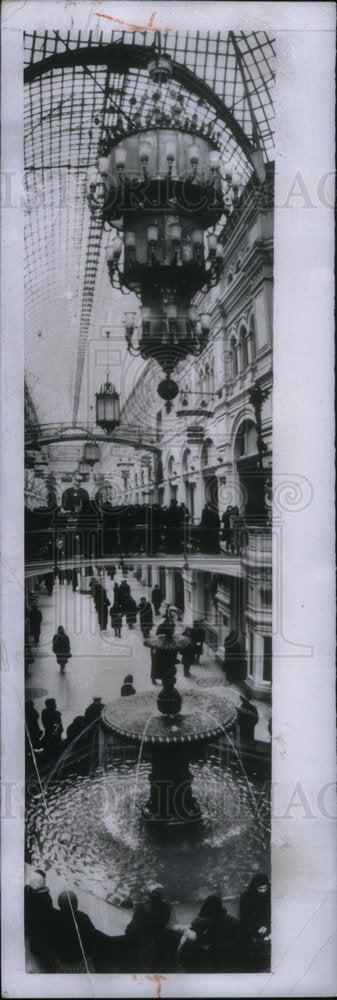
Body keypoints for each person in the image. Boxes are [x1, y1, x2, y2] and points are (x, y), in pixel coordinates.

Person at [125, 883, 171, 972]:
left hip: (145, 941)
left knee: (144, 965)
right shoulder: (166, 907)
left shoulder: (144, 908)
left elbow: (133, 927)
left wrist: (128, 933)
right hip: (159, 938)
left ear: (149, 895)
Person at [52, 890, 100, 972]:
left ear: (59, 904)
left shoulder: (54, 917)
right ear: (76, 904)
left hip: (61, 956)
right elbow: (93, 938)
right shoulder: (83, 917)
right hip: (79, 958)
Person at [239, 874, 271, 971]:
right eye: (260, 889)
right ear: (255, 887)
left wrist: (266, 926)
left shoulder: (269, 895)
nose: (263, 891)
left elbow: (269, 914)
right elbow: (245, 917)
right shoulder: (246, 897)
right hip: (250, 928)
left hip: (266, 927)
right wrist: (256, 929)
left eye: (265, 888)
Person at [24, 871, 56, 966]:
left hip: (30, 922)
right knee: (41, 940)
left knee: (33, 938)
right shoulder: (45, 897)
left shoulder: (27, 891)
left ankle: (34, 950)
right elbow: (49, 913)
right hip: (41, 924)